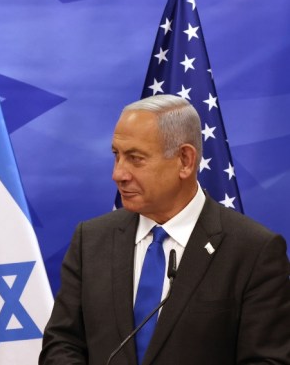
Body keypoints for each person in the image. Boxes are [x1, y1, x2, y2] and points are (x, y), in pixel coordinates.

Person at [40, 94, 290, 364]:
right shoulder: (90, 240)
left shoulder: (253, 251)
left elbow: (267, 360)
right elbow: (61, 344)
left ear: (185, 160)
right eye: (117, 155)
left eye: (135, 158)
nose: (118, 174)